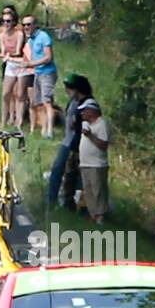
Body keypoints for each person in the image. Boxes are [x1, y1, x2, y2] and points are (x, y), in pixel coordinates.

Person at [48, 72, 89, 208]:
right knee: (62, 171)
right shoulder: (73, 101)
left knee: (61, 170)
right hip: (68, 140)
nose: (67, 91)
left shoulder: (86, 104)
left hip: (74, 143)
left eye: (69, 88)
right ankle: (56, 199)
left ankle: (58, 200)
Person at [0, 5, 27, 127]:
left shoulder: (19, 34)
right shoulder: (1, 35)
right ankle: (4, 119)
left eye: (9, 21)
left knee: (19, 94)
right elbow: (2, 52)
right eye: (4, 21)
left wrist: (8, 56)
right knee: (6, 93)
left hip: (20, 64)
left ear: (13, 22)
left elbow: (18, 51)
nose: (6, 24)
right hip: (10, 65)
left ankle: (19, 120)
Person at [21, 15, 56, 137]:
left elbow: (48, 57)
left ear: (35, 25)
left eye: (29, 24)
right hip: (38, 72)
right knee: (39, 102)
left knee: (47, 101)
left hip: (47, 72)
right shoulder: (30, 40)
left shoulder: (43, 37)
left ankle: (50, 130)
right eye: (24, 25)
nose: (26, 27)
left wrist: (31, 64)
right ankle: (44, 128)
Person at [77, 99, 111, 225]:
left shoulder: (102, 124)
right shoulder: (86, 124)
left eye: (84, 110)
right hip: (85, 163)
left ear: (92, 111)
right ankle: (93, 215)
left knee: (98, 191)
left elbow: (104, 145)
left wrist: (90, 136)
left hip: (97, 165)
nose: (82, 113)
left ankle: (101, 217)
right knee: (89, 191)